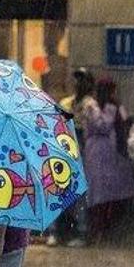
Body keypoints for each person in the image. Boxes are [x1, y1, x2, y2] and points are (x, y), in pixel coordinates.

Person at [81, 77, 134, 245]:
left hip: (115, 155)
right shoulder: (92, 106)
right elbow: (102, 126)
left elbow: (124, 124)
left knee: (116, 193)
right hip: (98, 153)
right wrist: (112, 109)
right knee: (98, 194)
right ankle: (96, 233)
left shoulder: (116, 106)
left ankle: (111, 233)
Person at [50, 67, 93, 248]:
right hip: (64, 150)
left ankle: (80, 231)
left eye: (81, 79)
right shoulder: (65, 103)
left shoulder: (91, 105)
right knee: (59, 190)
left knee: (79, 194)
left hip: (83, 151)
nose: (77, 83)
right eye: (76, 79)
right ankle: (55, 231)